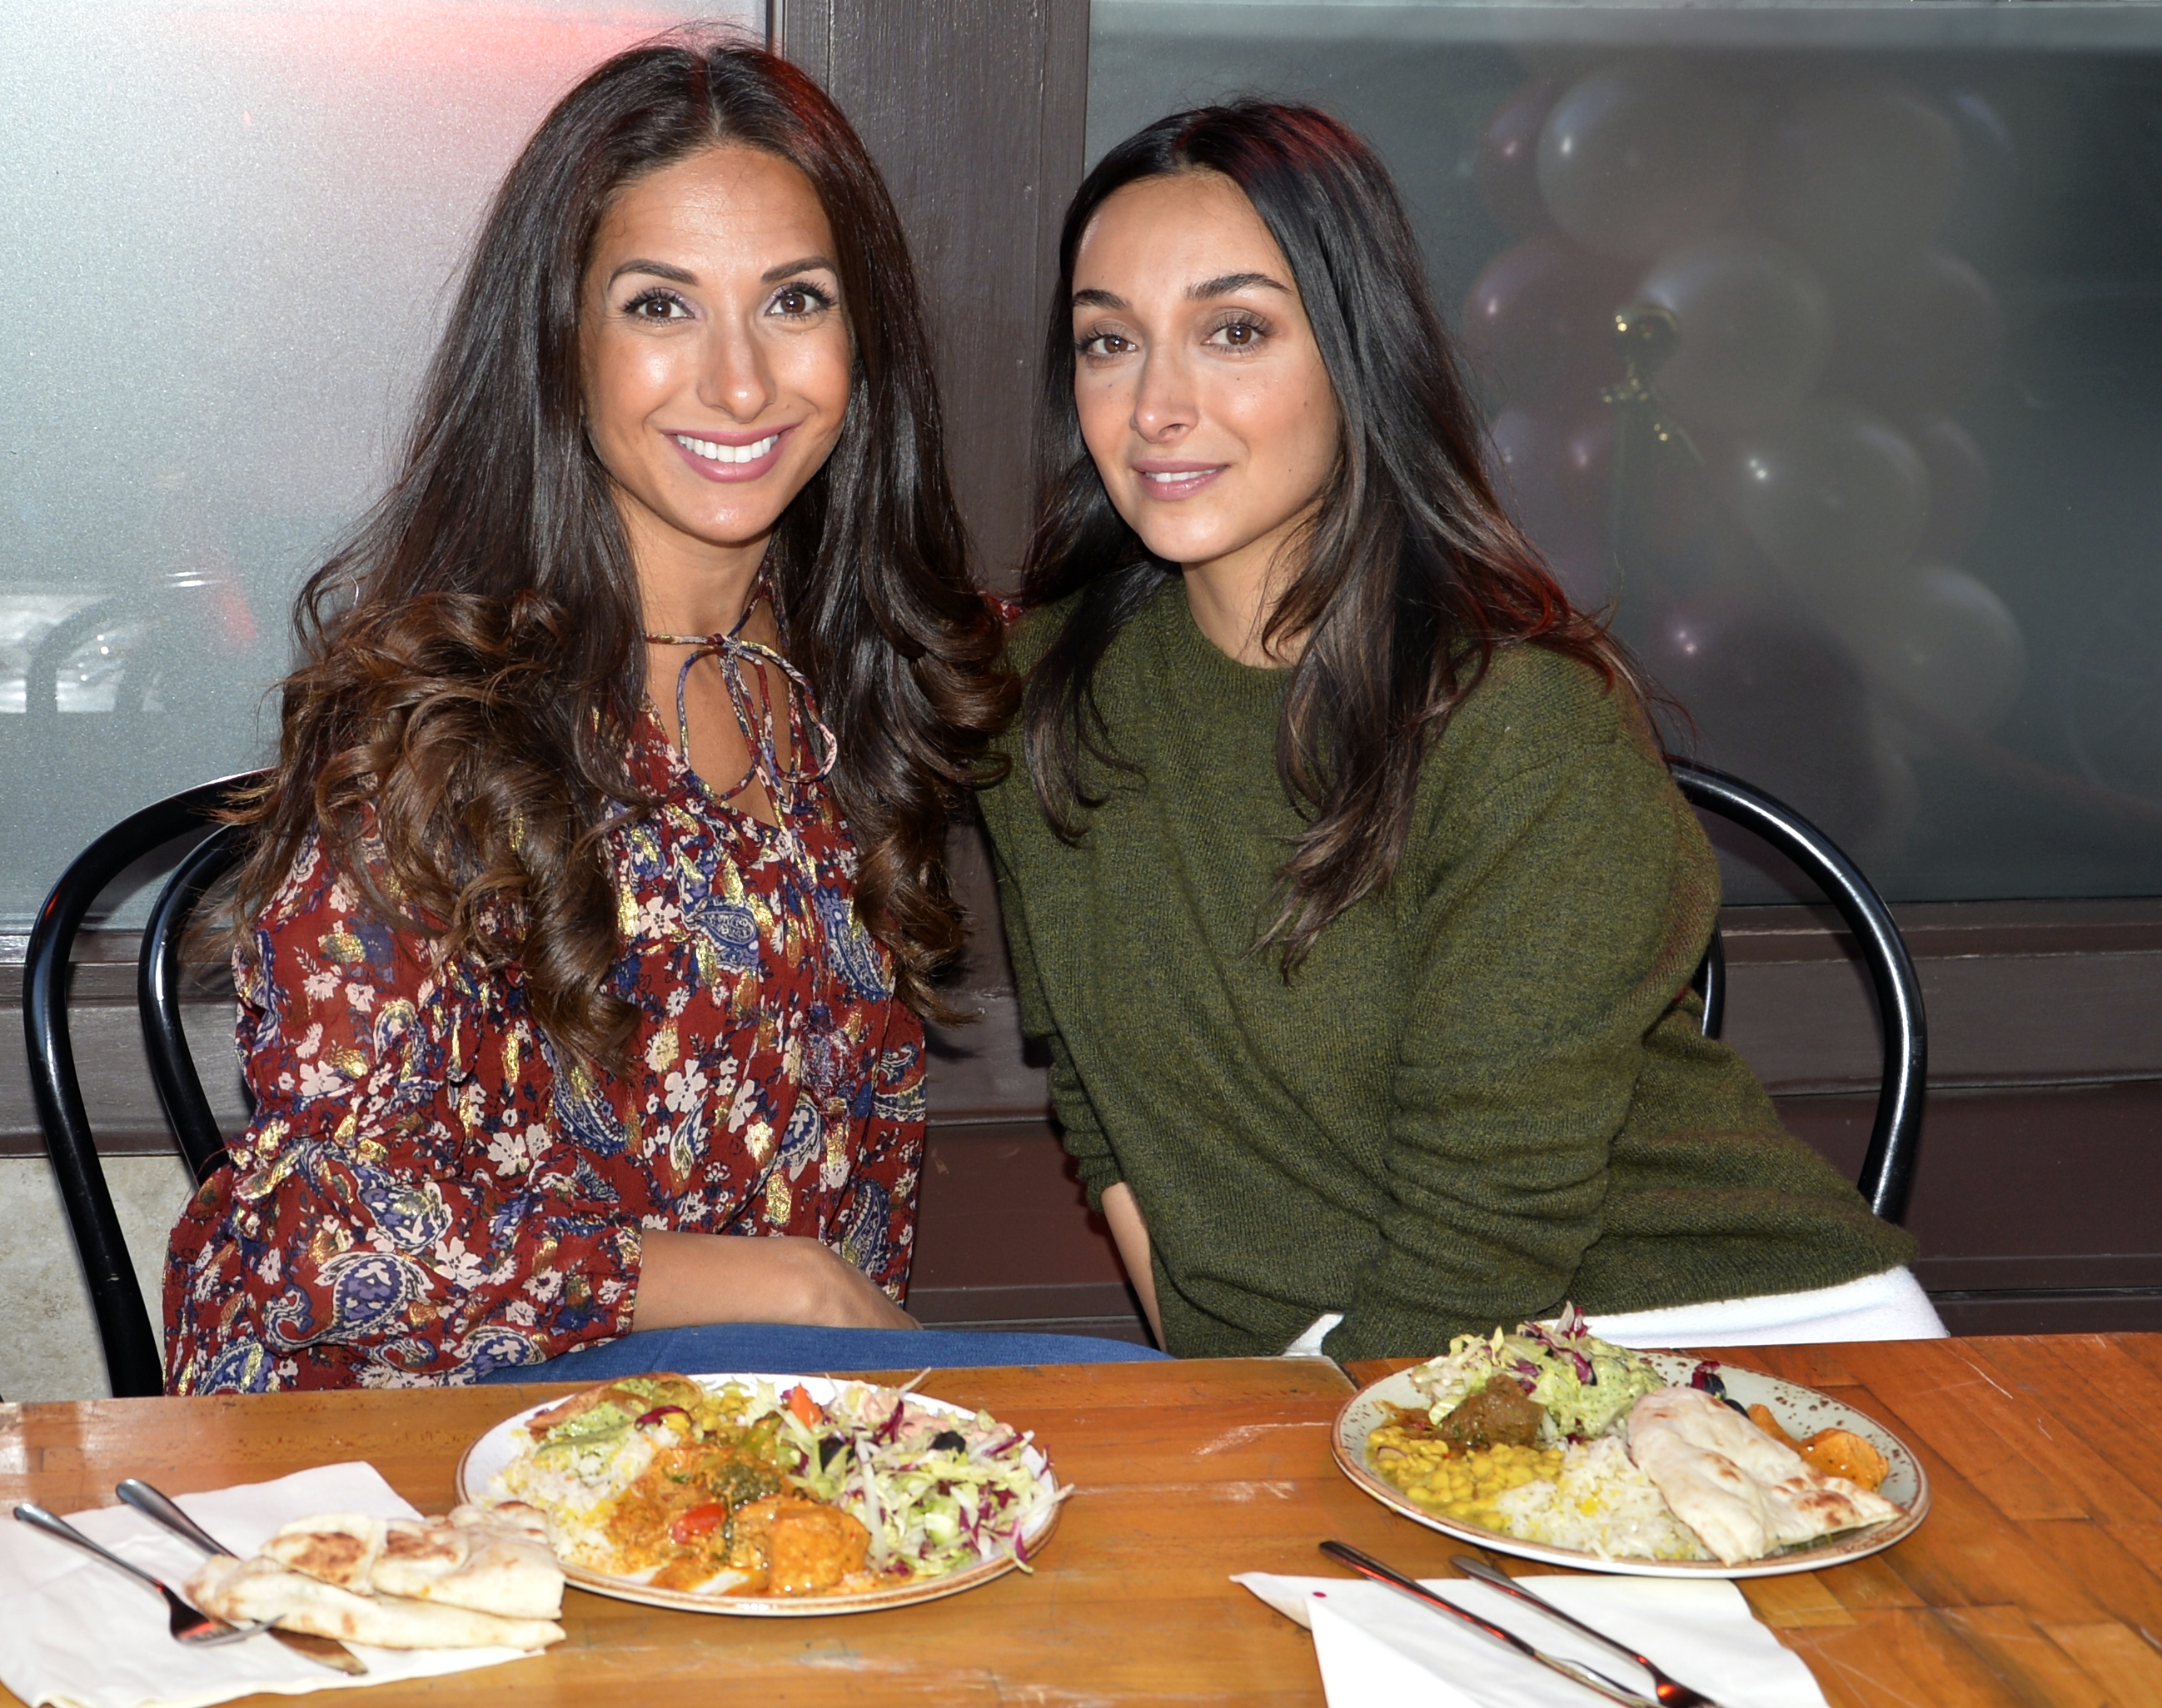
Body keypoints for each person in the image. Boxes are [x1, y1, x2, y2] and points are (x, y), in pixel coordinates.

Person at [977, 100, 1941, 1362]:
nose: (1156, 404)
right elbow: (1104, 1106)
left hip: (1706, 1339)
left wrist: (1296, 1435)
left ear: (1355, 356)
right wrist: (1225, 1396)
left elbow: (1483, 1238)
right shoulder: (1041, 697)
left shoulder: (1522, 725)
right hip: (1363, 1375)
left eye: (1235, 331)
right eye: (1109, 341)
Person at [162, 38, 1025, 1392]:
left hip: (733, 1443)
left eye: (794, 300)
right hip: (416, 1459)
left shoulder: (849, 665)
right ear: (562, 345)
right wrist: (781, 1284)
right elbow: (318, 1230)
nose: (740, 383)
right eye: (661, 306)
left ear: (864, 341)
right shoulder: (425, 727)